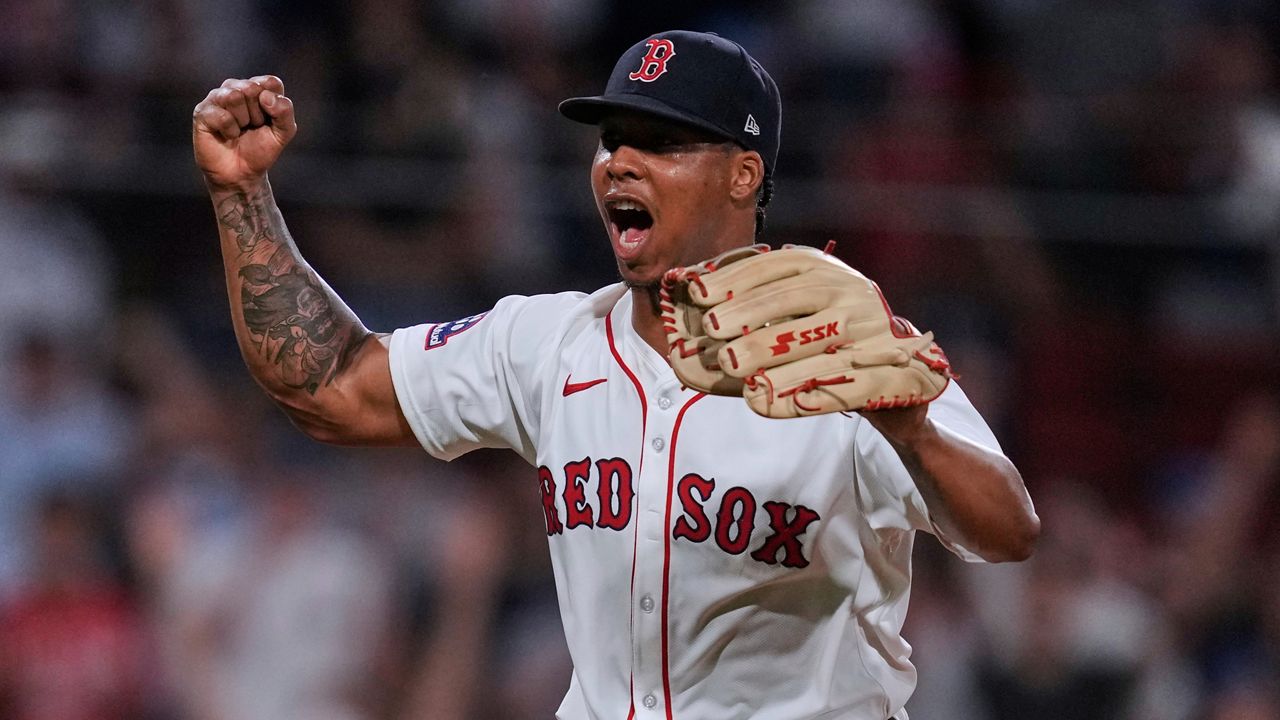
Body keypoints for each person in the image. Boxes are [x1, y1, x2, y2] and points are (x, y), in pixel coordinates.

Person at [192, 29, 1039, 720]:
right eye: (613, 140)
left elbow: (1008, 530)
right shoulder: (550, 341)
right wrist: (242, 196)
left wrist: (911, 429)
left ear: (745, 174)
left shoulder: (829, 340)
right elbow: (330, 387)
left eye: (662, 143)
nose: (621, 163)